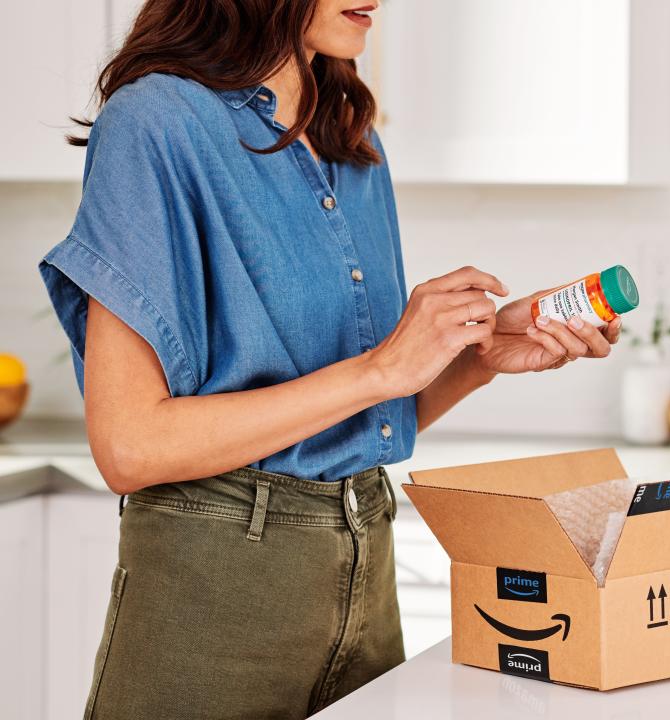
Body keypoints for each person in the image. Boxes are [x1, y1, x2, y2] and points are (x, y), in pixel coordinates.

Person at [38, 1, 622, 718]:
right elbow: (128, 448)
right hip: (215, 590)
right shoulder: (156, 124)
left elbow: (360, 420)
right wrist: (381, 368)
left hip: (367, 570)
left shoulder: (351, 139)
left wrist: (476, 357)